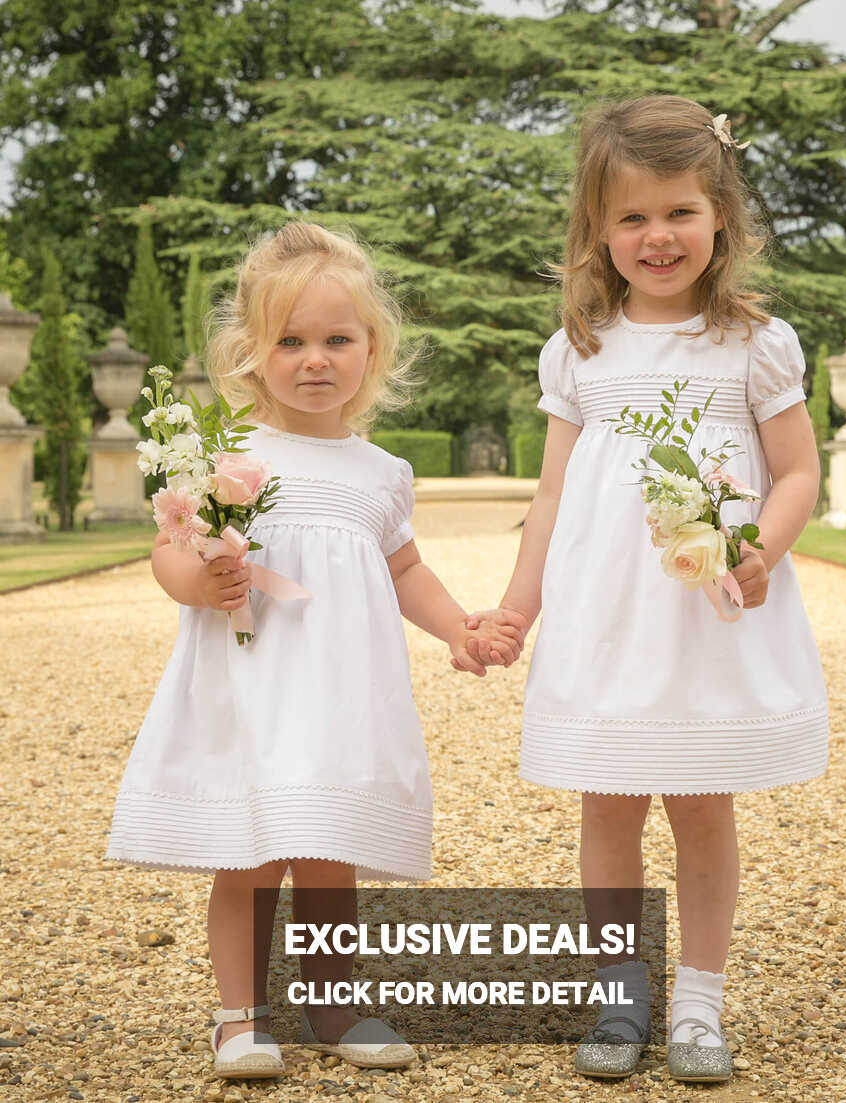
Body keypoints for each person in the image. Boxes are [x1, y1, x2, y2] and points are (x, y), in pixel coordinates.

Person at [464, 96, 829, 1082]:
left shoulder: (753, 344)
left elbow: (797, 472)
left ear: (720, 216)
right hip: (606, 619)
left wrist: (760, 545)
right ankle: (622, 995)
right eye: (630, 218)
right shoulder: (579, 349)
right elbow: (550, 498)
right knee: (609, 803)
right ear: (596, 230)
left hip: (705, 613)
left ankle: (700, 1003)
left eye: (678, 211)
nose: (656, 236)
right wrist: (514, 607)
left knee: (703, 801)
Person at [105, 221, 523, 1080]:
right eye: (288, 341)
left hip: (341, 689)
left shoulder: (381, 472)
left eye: (338, 339)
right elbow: (170, 549)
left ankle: (334, 1004)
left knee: (328, 845)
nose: (314, 359)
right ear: (251, 353)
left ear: (374, 350)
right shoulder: (223, 453)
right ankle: (240, 1016)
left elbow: (404, 566)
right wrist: (197, 582)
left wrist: (459, 626)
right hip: (253, 684)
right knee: (252, 845)